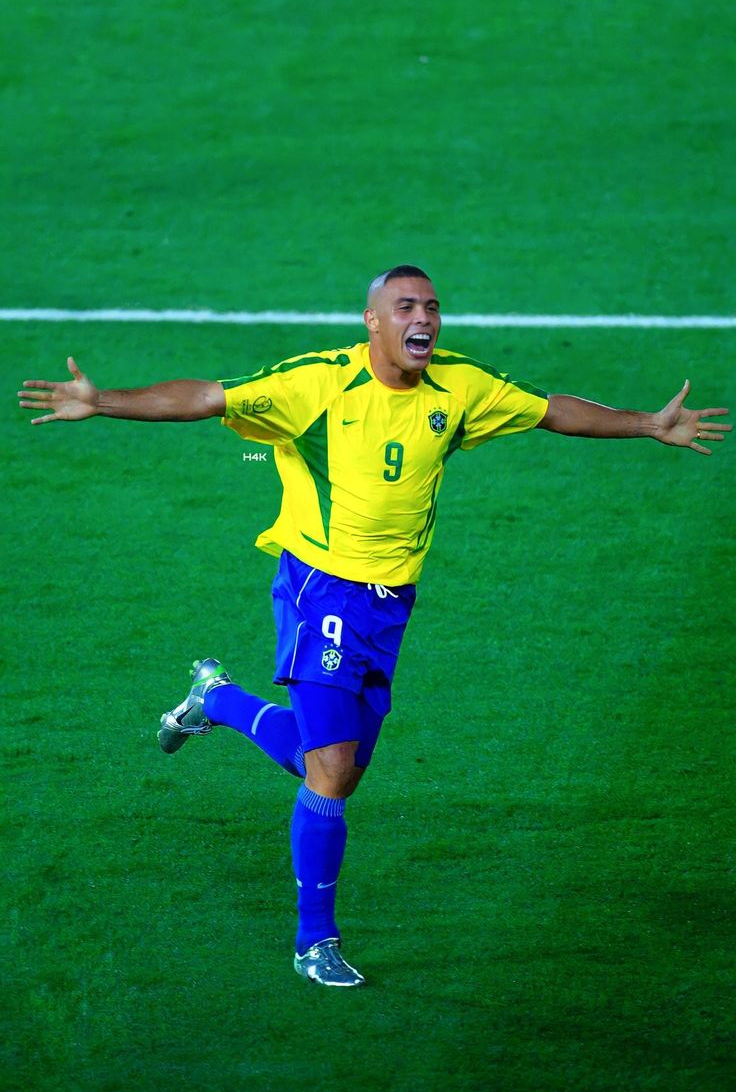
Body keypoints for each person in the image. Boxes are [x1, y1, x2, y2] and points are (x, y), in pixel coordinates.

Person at [18, 265, 731, 988]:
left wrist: (646, 423)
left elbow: (549, 410)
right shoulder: (319, 383)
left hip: (390, 607)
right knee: (328, 770)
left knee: (338, 770)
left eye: (431, 306)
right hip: (319, 586)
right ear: (372, 321)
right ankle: (313, 942)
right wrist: (104, 401)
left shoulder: (460, 388)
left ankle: (218, 699)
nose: (423, 318)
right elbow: (206, 397)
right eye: (405, 307)